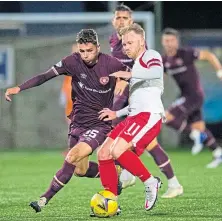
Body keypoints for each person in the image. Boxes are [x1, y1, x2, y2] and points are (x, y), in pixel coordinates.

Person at [5, 29, 129, 213]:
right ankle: (115, 174)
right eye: (82, 51)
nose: (86, 55)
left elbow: (135, 75)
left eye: (89, 50)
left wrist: (124, 80)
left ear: (98, 47)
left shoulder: (111, 63)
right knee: (80, 170)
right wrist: (19, 88)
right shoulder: (72, 61)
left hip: (99, 124)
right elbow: (44, 76)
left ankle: (43, 199)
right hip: (77, 124)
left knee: (71, 157)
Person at [109, 3, 183, 198]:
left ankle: (127, 175)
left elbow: (149, 71)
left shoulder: (141, 47)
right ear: (113, 20)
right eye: (118, 18)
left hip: (135, 98)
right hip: (127, 99)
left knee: (137, 143)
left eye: (125, 18)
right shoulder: (114, 41)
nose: (121, 21)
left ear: (132, 21)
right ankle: (172, 182)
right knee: (146, 143)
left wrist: (127, 78)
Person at [97, 23, 164, 211]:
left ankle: (151, 182)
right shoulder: (136, 64)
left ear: (142, 41)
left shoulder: (150, 56)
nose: (125, 47)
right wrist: (116, 113)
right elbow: (136, 103)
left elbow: (157, 71)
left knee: (117, 151)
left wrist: (127, 74)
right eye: (124, 44)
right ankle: (111, 201)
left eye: (129, 43)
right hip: (134, 115)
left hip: (148, 115)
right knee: (104, 152)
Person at [159, 27, 222, 168]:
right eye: (166, 40)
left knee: (165, 117)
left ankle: (195, 134)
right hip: (186, 96)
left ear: (177, 42)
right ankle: (218, 153)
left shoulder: (185, 53)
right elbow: (160, 79)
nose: (169, 43)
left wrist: (219, 71)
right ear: (163, 42)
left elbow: (209, 56)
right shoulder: (164, 61)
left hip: (194, 95)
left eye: (171, 40)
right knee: (199, 127)